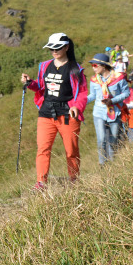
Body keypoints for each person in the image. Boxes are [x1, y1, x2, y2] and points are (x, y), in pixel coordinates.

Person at [19, 32, 88, 190]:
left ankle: (74, 180)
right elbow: (41, 87)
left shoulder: (75, 69)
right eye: (51, 48)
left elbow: (83, 93)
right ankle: (41, 182)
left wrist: (77, 107)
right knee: (43, 148)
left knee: (71, 150)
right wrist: (30, 83)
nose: (54, 51)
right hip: (46, 113)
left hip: (67, 115)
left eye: (57, 48)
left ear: (66, 47)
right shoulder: (44, 66)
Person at [86, 53, 129, 165]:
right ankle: (102, 164)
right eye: (92, 65)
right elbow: (92, 95)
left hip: (114, 112)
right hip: (99, 113)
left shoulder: (118, 78)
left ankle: (113, 162)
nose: (93, 68)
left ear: (103, 66)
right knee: (101, 140)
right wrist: (81, 102)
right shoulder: (94, 80)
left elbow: (126, 93)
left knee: (113, 140)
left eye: (95, 65)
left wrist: (113, 101)